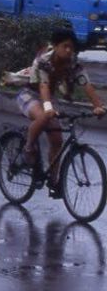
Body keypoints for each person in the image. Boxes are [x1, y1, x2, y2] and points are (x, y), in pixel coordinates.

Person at [17, 28, 106, 198]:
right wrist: (49, 108)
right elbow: (43, 85)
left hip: (48, 97)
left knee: (57, 139)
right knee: (44, 116)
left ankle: (54, 181)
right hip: (29, 95)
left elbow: (86, 84)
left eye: (71, 47)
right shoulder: (43, 61)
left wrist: (98, 106)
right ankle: (28, 148)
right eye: (65, 46)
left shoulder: (73, 63)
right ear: (55, 46)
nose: (69, 50)